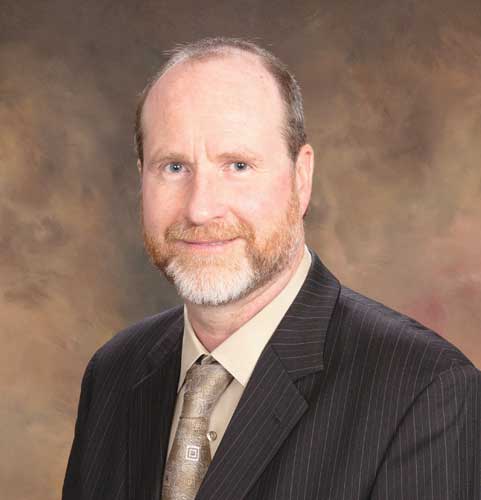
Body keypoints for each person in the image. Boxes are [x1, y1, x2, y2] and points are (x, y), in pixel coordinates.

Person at [62, 37, 480, 500]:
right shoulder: (113, 373)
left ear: (301, 178)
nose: (200, 209)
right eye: (174, 167)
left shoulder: (425, 391)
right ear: (142, 176)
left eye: (238, 165)